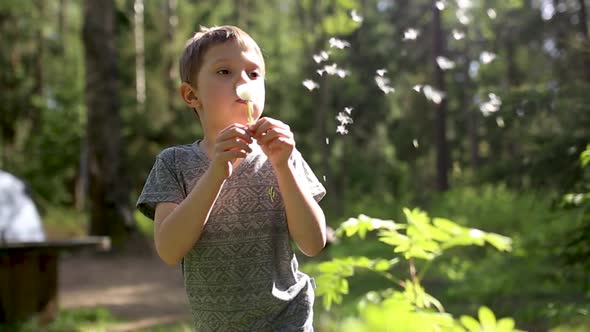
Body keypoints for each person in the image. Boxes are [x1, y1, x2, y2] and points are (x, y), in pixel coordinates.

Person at [137, 25, 326, 331]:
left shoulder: (283, 155)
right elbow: (169, 249)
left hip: (288, 321)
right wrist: (215, 174)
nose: (243, 82)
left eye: (254, 74)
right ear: (191, 94)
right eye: (225, 72)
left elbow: (313, 243)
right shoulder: (174, 162)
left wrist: (283, 168)